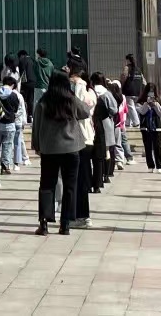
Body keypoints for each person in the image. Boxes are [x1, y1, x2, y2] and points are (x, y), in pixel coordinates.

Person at [32, 72, 90, 235]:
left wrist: (37, 145)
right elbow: (85, 112)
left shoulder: (43, 102)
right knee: (70, 186)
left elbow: (36, 125)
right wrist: (73, 95)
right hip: (71, 149)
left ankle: (44, 223)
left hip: (49, 149)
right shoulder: (71, 100)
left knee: (47, 185)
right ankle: (65, 224)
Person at [70, 68, 97, 228]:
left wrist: (79, 83)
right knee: (77, 179)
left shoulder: (88, 94)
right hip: (82, 139)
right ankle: (76, 214)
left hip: (83, 139)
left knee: (80, 180)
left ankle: (82, 216)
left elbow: (80, 107)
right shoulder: (87, 93)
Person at [89, 72, 118, 192]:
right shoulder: (107, 93)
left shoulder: (89, 92)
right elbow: (114, 109)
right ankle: (106, 175)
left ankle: (94, 180)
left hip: (91, 123)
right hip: (105, 122)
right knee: (105, 151)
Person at [136, 83, 161, 173]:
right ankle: (150, 165)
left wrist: (155, 105)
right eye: (149, 92)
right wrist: (146, 104)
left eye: (152, 92)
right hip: (145, 127)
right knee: (148, 147)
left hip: (156, 127)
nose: (150, 95)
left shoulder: (158, 101)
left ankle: (159, 166)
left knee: (157, 147)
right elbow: (141, 112)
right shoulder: (141, 101)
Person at [0, 77, 21, 174]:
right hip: (10, 123)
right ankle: (5, 166)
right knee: (7, 145)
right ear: (12, 85)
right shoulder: (13, 95)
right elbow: (16, 109)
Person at [17, 50, 35, 122]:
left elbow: (20, 72)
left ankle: (24, 116)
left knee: (23, 99)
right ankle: (30, 116)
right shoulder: (33, 60)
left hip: (25, 83)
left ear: (22, 55)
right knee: (31, 100)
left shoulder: (22, 60)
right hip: (33, 82)